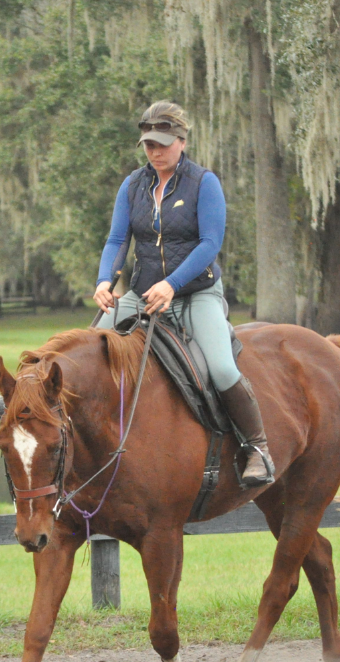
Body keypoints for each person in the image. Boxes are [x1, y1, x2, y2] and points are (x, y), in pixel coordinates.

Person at [95, 101, 274, 487]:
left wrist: (172, 283)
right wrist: (104, 281)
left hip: (195, 295)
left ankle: (257, 448)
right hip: (142, 296)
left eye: (163, 143)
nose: (155, 152)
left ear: (181, 140)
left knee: (224, 368)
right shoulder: (132, 185)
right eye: (148, 145)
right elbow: (116, 240)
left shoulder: (203, 182)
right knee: (90, 348)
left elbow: (210, 243)